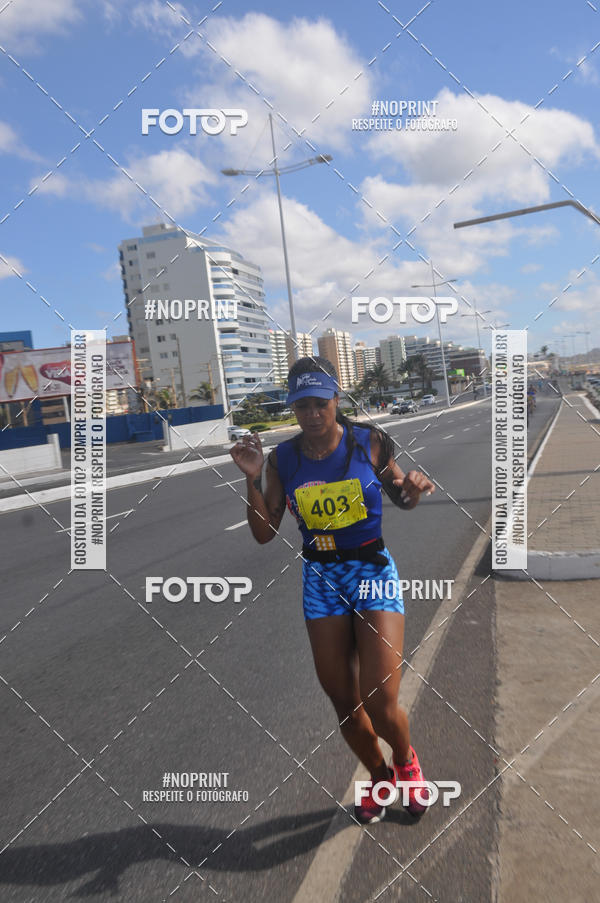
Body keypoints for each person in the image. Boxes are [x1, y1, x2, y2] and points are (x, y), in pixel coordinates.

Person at [230, 357, 436, 825]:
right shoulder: (283, 459)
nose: (311, 414)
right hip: (321, 581)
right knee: (344, 701)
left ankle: (405, 761)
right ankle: (380, 776)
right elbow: (265, 534)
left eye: (319, 403)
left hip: (371, 571)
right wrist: (252, 478)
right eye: (301, 405)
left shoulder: (369, 442)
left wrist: (414, 490)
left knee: (381, 702)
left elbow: (400, 496)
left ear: (335, 399)